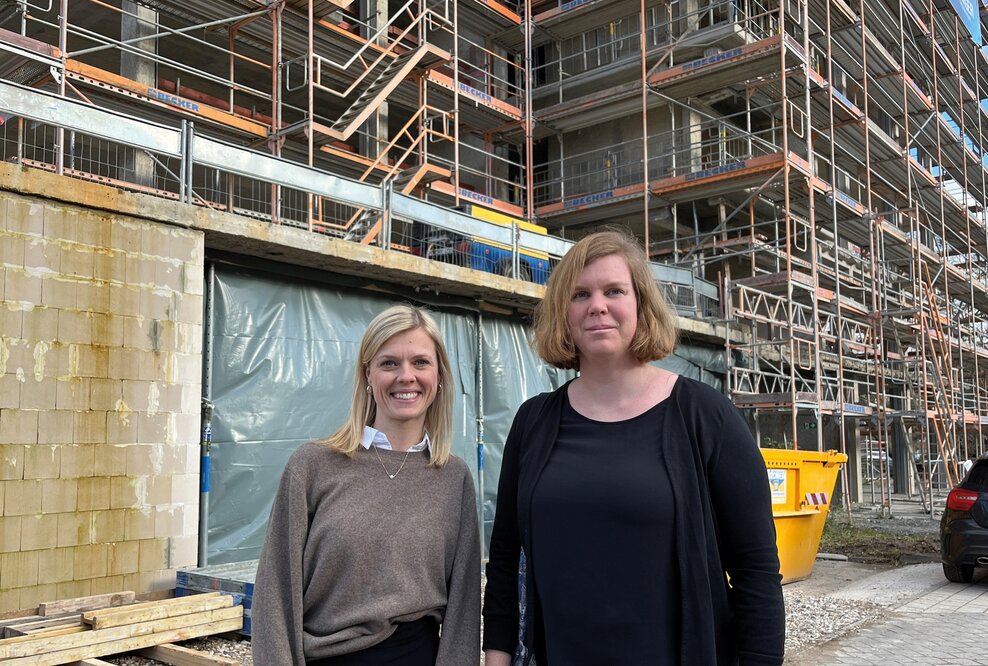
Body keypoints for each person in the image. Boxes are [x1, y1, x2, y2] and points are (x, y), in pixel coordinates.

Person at [482, 231, 785, 665]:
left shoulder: (705, 416)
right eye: (580, 294)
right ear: (563, 314)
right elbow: (506, 557)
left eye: (614, 291)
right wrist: (497, 656)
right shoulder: (534, 423)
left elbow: (756, 571)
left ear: (641, 304)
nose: (597, 305)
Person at [252, 304, 480, 665]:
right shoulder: (312, 466)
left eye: (420, 362)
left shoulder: (455, 478)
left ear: (439, 377)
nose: (406, 376)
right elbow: (274, 595)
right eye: (389, 363)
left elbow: (464, 609)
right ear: (368, 375)